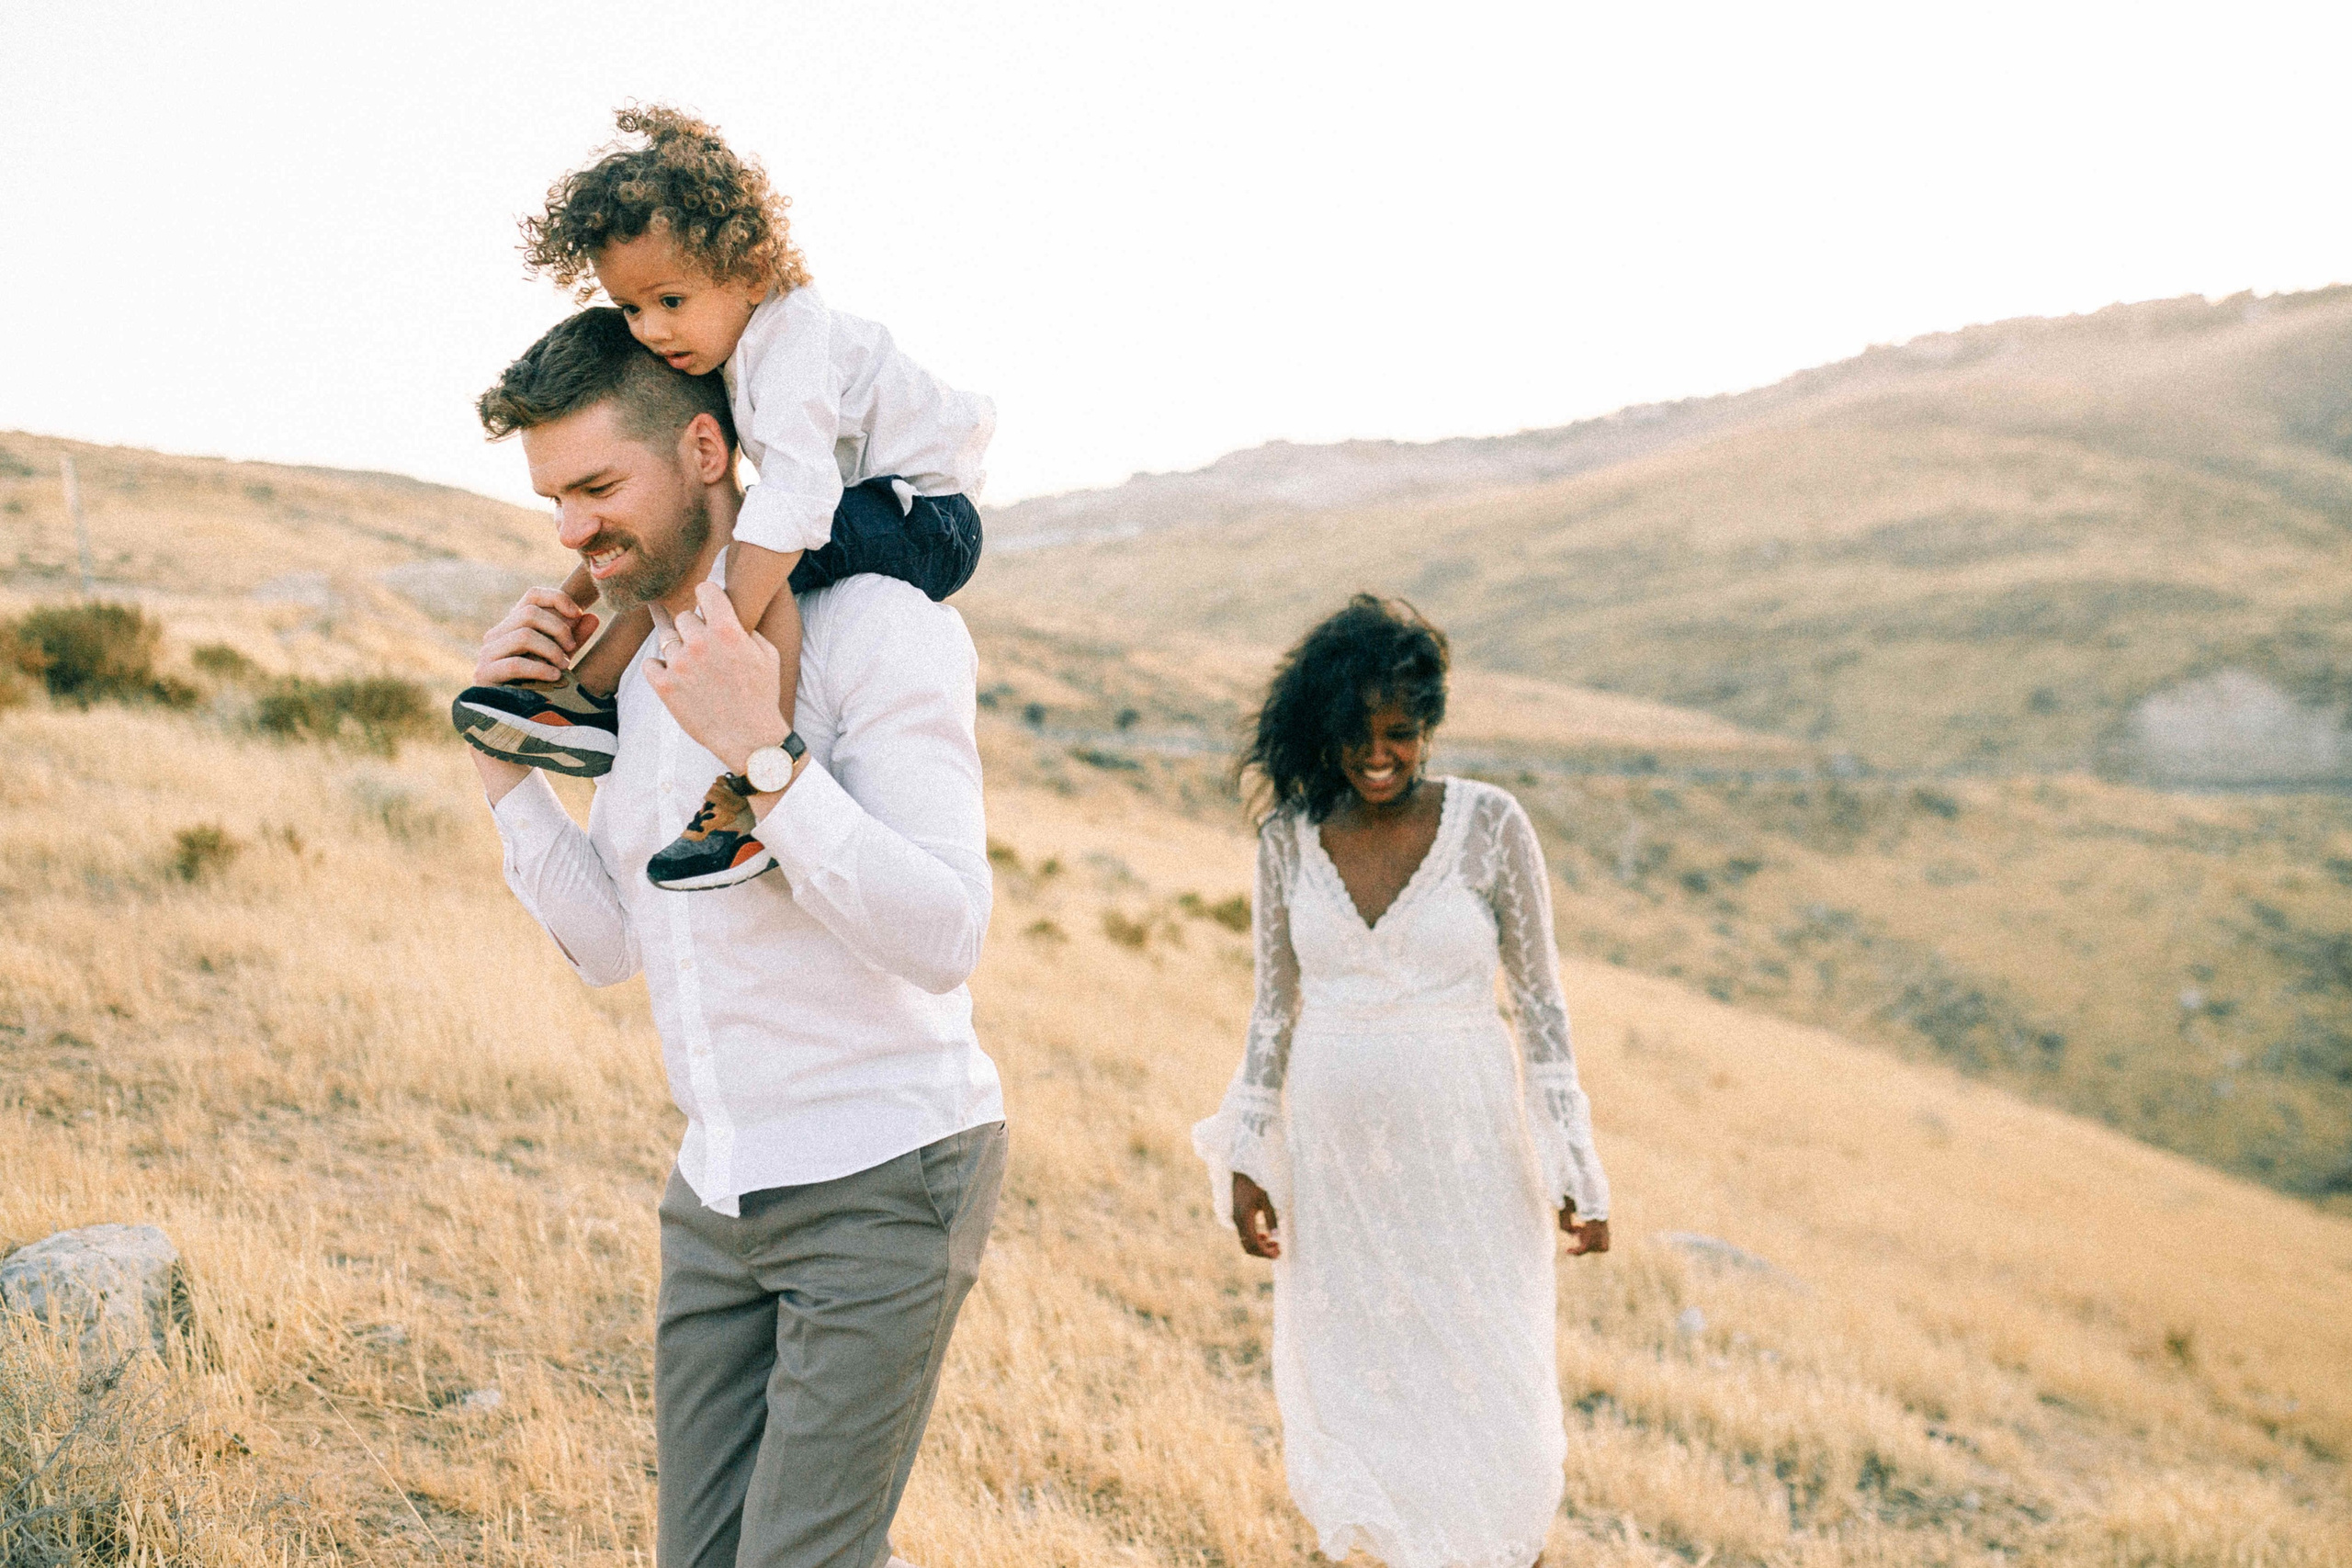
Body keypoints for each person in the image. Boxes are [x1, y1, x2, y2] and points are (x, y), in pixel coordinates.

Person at [466, 308, 1005, 1568]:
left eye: (599, 488)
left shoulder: (878, 623)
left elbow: (947, 933)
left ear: (706, 451)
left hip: (883, 1173)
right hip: (713, 1190)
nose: (572, 532)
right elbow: (616, 946)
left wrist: (764, 756)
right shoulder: (634, 663)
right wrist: (507, 764)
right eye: (554, 500)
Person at [453, 104, 993, 893]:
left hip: (930, 512)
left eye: (669, 302)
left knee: (773, 557)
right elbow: (661, 526)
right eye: (631, 308)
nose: (649, 330)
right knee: (683, 548)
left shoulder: (792, 340)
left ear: (750, 270)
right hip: (868, 496)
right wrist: (568, 604)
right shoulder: (732, 346)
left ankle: (752, 780)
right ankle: (588, 697)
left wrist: (719, 625)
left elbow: (798, 497)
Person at [1193, 595, 1611, 1568]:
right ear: (1324, 727)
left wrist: (1574, 1165)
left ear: (1429, 724)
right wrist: (1248, 1154)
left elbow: (1541, 1006)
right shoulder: (1289, 839)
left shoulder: (1490, 825)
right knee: (1366, 1396)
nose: (1378, 755)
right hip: (1340, 1177)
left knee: (1496, 1396)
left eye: (1400, 733)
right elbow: (1272, 1010)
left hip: (1472, 1162)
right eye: (1357, 734)